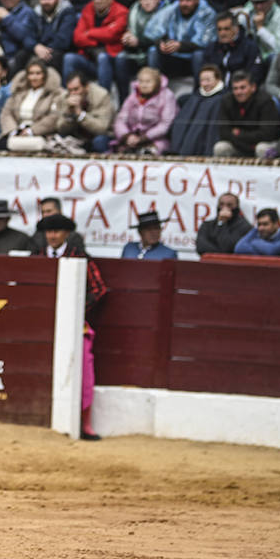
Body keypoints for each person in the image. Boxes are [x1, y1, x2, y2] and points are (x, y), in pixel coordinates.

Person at [35, 210, 105, 440]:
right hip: (41, 325)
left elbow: (98, 289)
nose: (52, 236)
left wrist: (75, 312)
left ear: (66, 233)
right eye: (49, 231)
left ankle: (85, 423)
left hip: (75, 326)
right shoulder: (36, 256)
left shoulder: (79, 255)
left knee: (85, 368)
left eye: (56, 231)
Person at [144, 0, 214, 82]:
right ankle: (154, 89)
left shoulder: (207, 13)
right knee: (153, 51)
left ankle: (198, 89)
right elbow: (153, 30)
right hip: (174, 56)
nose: (184, 4)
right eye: (181, 0)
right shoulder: (173, 9)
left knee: (199, 54)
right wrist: (161, 43)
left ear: (197, 0)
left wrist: (180, 46)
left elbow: (206, 42)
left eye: (188, 0)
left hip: (192, 58)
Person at [0, 60, 65, 151]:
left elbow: (54, 117)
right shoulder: (18, 93)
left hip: (41, 133)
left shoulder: (55, 94)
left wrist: (31, 131)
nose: (34, 77)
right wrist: (13, 130)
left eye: (38, 73)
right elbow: (6, 113)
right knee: (1, 144)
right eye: (31, 73)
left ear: (44, 75)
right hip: (17, 131)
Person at [213, 70, 280, 157]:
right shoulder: (226, 100)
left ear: (253, 87)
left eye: (242, 88)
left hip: (262, 144)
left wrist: (239, 133)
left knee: (262, 149)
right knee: (220, 147)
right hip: (239, 145)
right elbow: (223, 132)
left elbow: (267, 134)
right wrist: (245, 140)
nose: (238, 92)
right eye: (235, 88)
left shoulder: (265, 101)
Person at [112, 66, 176, 154]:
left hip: (156, 139)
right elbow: (121, 119)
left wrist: (144, 138)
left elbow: (166, 124)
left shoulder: (167, 96)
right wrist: (127, 136)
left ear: (157, 83)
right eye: (141, 81)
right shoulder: (134, 96)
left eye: (148, 82)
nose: (144, 85)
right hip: (132, 138)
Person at [170, 63, 227, 156]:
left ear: (218, 79)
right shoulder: (195, 97)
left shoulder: (223, 98)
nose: (205, 84)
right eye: (202, 80)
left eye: (208, 80)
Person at [58, 70, 113, 152]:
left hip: (99, 136)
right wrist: (69, 113)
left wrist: (80, 114)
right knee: (60, 139)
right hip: (78, 136)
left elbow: (102, 128)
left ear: (86, 87)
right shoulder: (64, 97)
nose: (73, 93)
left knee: (99, 141)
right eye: (70, 90)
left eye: (76, 89)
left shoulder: (101, 96)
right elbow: (60, 128)